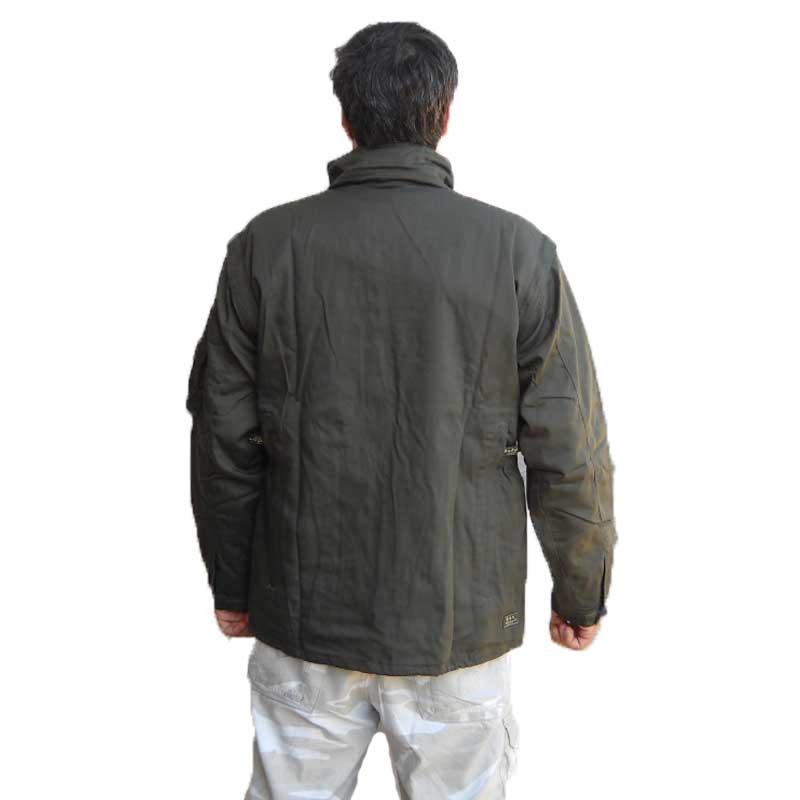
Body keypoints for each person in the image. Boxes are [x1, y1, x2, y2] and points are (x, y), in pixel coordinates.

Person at [186, 20, 617, 800]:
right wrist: (582, 588)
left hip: (304, 615)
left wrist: (232, 585)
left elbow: (223, 438)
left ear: (345, 117)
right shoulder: (517, 252)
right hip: (456, 624)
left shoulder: (265, 247)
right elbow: (569, 446)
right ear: (445, 112)